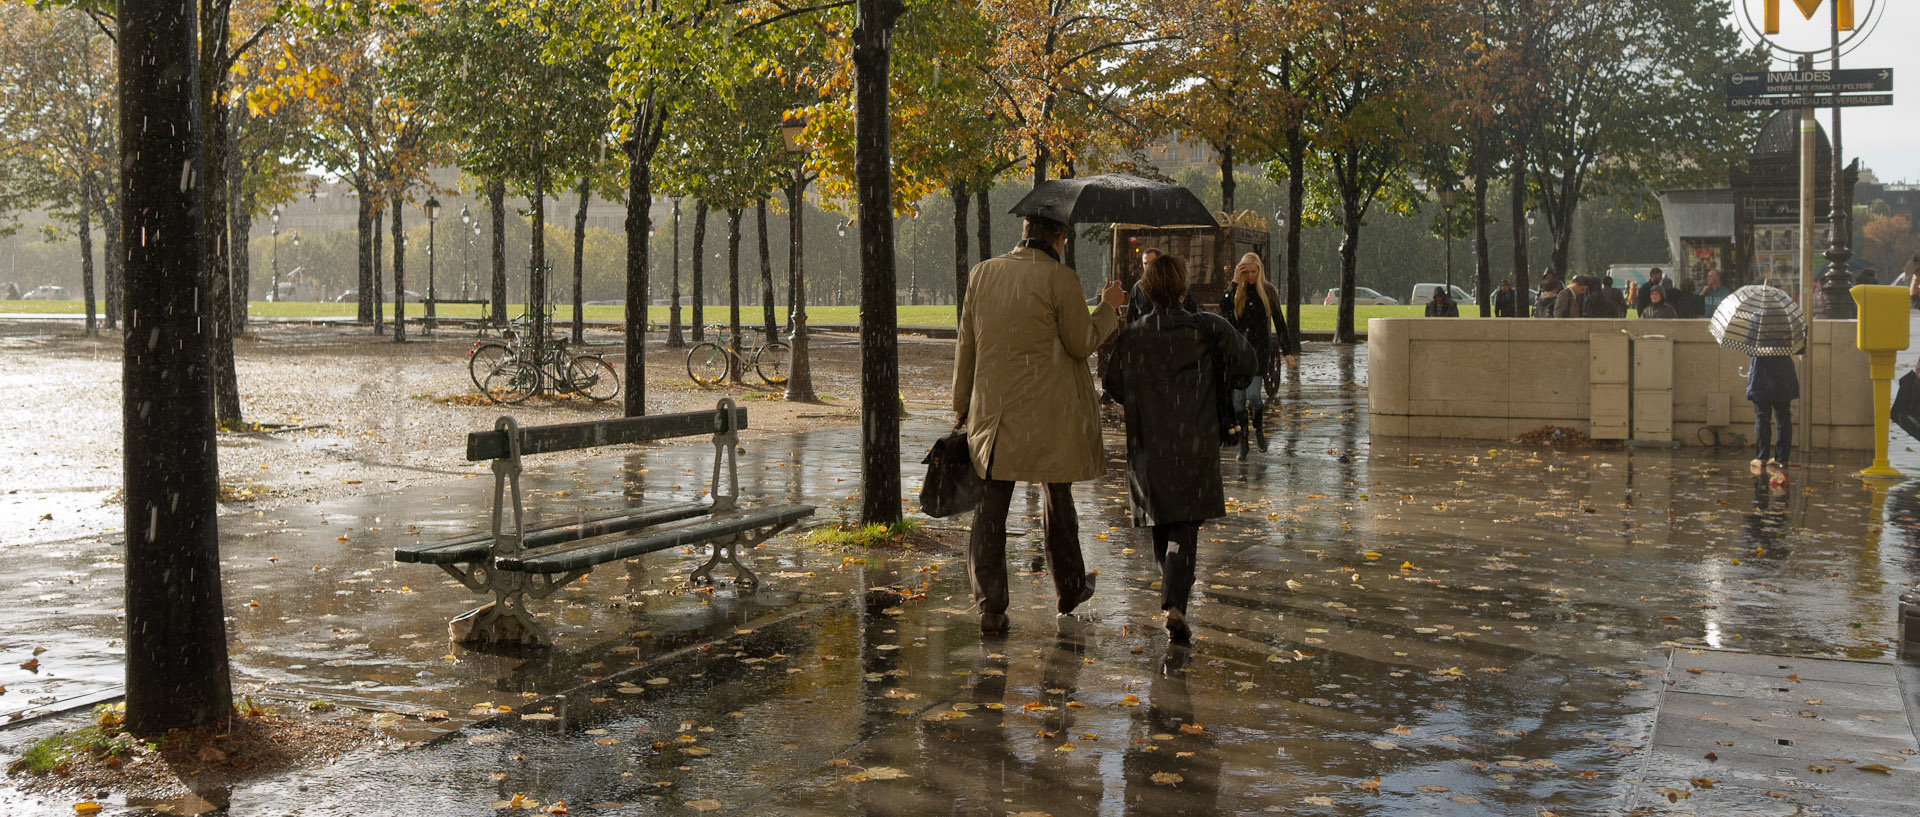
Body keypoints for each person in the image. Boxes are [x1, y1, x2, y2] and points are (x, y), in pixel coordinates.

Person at [953, 215, 1123, 635]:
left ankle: (990, 604)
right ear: (1060, 238)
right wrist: (1109, 308)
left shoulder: (983, 273)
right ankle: (1069, 590)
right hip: (1048, 415)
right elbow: (1081, 342)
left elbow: (967, 344)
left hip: (994, 415)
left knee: (990, 510)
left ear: (1025, 230)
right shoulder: (1061, 279)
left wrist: (961, 405)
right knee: (1058, 501)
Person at [1104, 254, 1255, 644]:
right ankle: (1174, 604)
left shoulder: (1133, 335)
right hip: (1194, 444)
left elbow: (1114, 386)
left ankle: (1173, 597)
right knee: (1185, 529)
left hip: (1148, 450)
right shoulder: (1206, 328)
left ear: (1147, 291)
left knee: (1161, 524)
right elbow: (1247, 362)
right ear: (1184, 289)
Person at [1218, 253, 1298, 459]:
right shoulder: (1235, 291)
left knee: (1254, 395)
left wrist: (1287, 352)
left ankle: (1259, 430)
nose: (1252, 276)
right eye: (1248, 272)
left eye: (1255, 272)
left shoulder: (1268, 291)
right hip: (1237, 352)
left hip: (1259, 351)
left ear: (1260, 271)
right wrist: (1235, 283)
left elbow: (1279, 323)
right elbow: (1224, 313)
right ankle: (1244, 441)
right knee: (1238, 400)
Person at [1747, 350, 1798, 477]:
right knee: (1783, 418)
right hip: (1783, 374)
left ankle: (1761, 458)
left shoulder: (1757, 330)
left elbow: (1749, 349)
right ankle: (1782, 457)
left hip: (1761, 376)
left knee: (1762, 418)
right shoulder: (1786, 330)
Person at [1127, 248, 1196, 318]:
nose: (1148, 267)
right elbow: (1131, 316)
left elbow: (1191, 310)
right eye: (1145, 264)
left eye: (1152, 263)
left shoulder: (1176, 284)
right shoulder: (1138, 287)